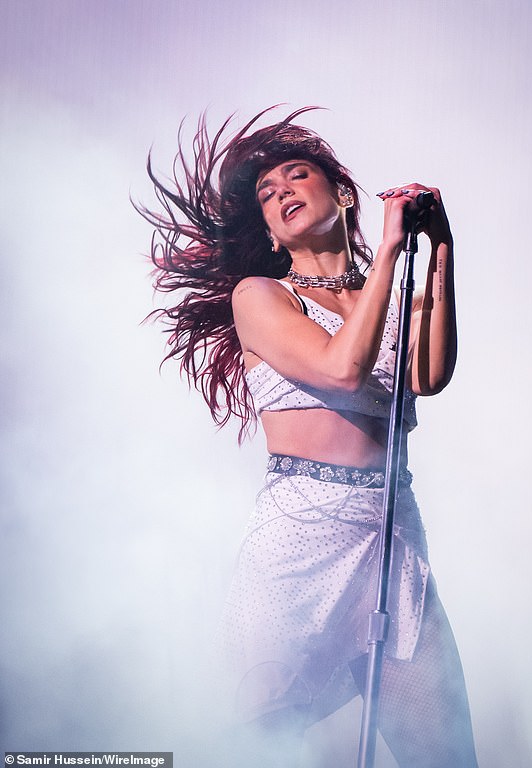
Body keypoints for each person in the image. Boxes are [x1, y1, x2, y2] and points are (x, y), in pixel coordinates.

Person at [141, 107, 479, 767]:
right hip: (299, 539)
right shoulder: (260, 296)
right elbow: (340, 369)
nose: (283, 193)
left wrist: (440, 249)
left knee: (446, 754)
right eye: (268, 195)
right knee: (258, 743)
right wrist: (385, 251)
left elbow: (429, 375)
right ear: (267, 229)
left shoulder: (390, 294)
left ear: (343, 193)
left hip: (389, 537)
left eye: (297, 177)